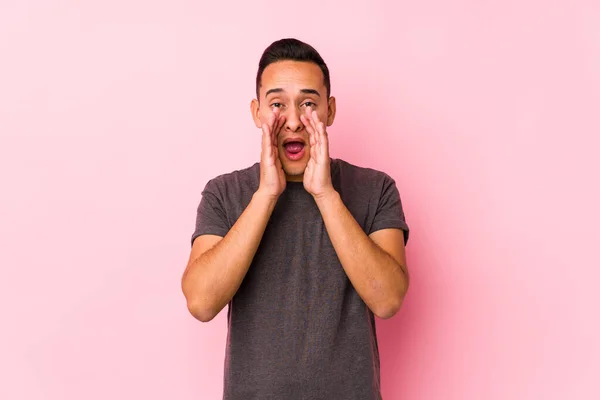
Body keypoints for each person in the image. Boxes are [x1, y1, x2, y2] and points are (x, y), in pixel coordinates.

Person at [181, 38, 410, 400]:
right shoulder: (224, 193)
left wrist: (325, 194)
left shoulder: (374, 189)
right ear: (257, 112)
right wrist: (266, 194)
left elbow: (387, 300)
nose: (292, 121)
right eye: (276, 104)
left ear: (329, 110)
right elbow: (201, 302)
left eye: (308, 103)